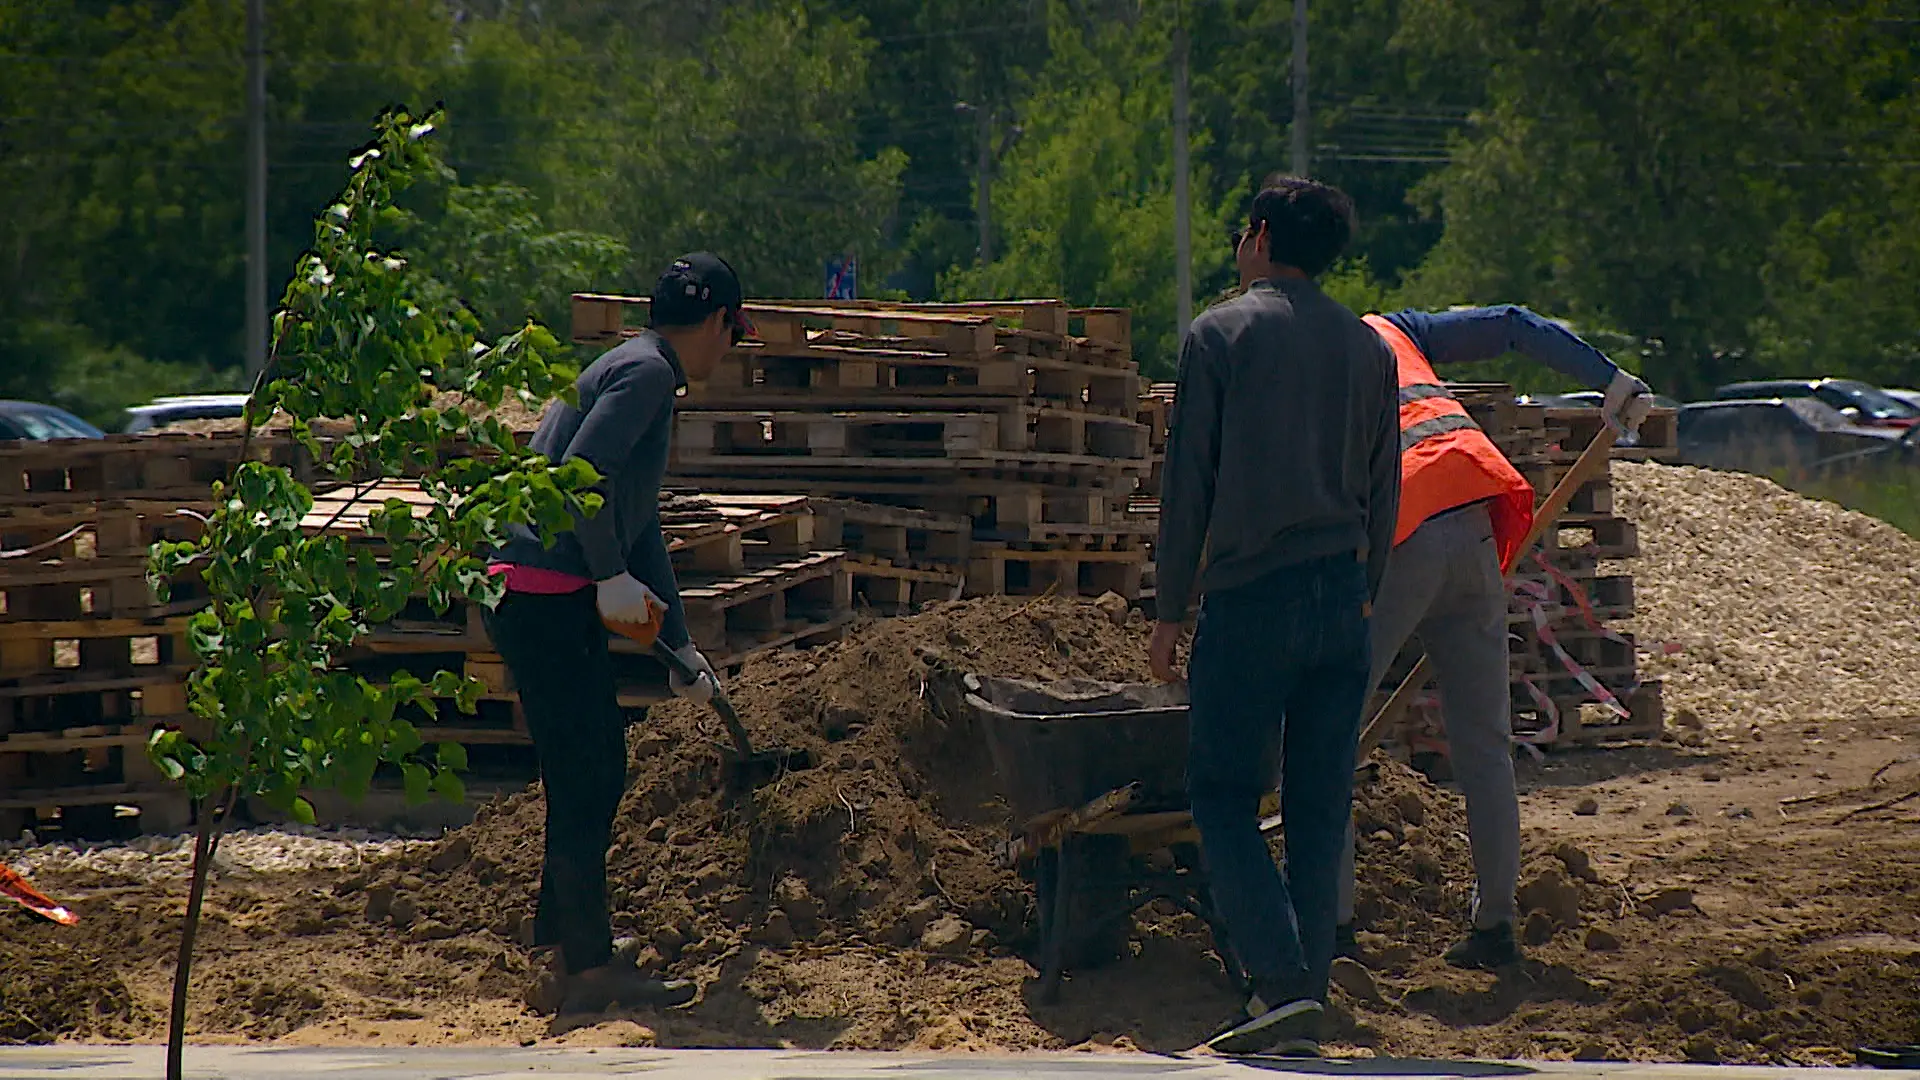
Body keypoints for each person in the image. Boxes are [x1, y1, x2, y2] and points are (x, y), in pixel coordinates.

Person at [1150, 178, 1402, 1057]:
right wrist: (1368, 585)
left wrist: (1169, 610)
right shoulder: (1369, 349)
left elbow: (1190, 488)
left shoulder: (1218, 335)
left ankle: (1281, 982)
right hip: (1343, 596)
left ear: (1257, 237)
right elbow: (1386, 481)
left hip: (1253, 594)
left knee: (1221, 791)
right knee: (1319, 805)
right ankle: (1305, 989)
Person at [1336, 305, 1656, 970]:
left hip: (1404, 531)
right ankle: (1494, 928)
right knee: (1483, 743)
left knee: (1326, 734)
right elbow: (1511, 322)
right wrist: (1608, 378)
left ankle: (1330, 928)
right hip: (1473, 519)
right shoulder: (1394, 329)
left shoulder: (1307, 349)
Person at [483, 253, 748, 1014]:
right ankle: (587, 969)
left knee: (594, 761)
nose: (728, 351)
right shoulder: (649, 375)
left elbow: (638, 525)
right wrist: (605, 577)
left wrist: (679, 643)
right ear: (717, 322)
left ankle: (565, 941)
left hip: (542, 593)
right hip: (542, 594)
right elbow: (580, 477)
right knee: (587, 773)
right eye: (732, 332)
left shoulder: (632, 365)